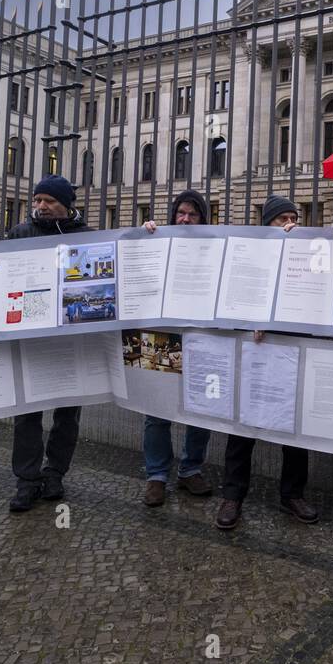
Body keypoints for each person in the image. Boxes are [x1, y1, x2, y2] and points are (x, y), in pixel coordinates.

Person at [215, 196, 318, 531]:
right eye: (281, 218)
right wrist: (254, 318)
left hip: (291, 349)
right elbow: (234, 298)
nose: (289, 223)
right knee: (243, 427)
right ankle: (233, 495)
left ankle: (292, 494)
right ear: (267, 224)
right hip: (256, 350)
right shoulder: (250, 254)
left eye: (293, 217)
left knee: (293, 428)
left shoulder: (307, 256)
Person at [5, 175, 94, 513]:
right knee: (26, 414)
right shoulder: (19, 233)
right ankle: (26, 480)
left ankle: (55, 472)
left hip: (71, 340)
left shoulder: (87, 237)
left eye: (49, 201)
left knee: (67, 413)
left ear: (66, 204)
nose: (40, 206)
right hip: (29, 337)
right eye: (37, 200)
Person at [139, 190, 216, 506]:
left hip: (201, 336)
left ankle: (190, 469)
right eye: (181, 213)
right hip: (161, 333)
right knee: (157, 410)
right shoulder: (156, 240)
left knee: (199, 409)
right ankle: (156, 476)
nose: (185, 219)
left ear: (202, 219)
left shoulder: (215, 247)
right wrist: (142, 238)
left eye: (193, 214)